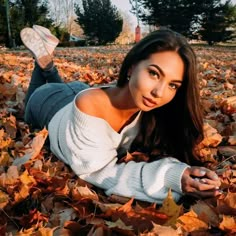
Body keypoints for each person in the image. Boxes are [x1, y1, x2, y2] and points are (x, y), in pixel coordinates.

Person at [20, 25, 221, 204]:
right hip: (49, 103)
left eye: (173, 85)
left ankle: (46, 60)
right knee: (30, 101)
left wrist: (190, 174)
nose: (159, 92)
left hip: (82, 89)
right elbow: (103, 172)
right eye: (154, 73)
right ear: (132, 67)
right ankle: (45, 64)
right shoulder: (89, 107)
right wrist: (173, 177)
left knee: (63, 85)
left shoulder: (153, 109)